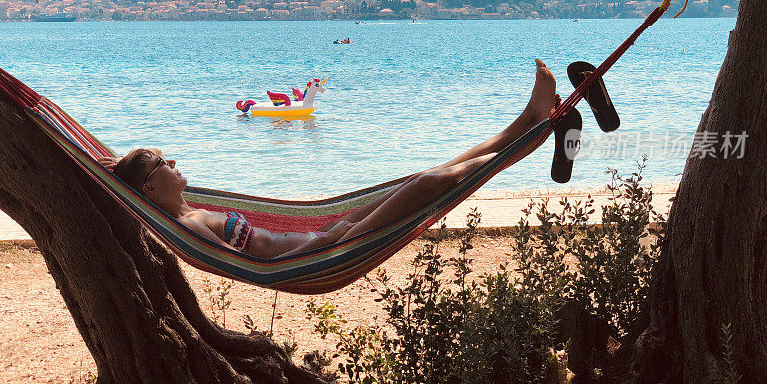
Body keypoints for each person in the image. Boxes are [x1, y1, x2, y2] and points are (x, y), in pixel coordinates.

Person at [102, 59, 558, 259]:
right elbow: (247, 262)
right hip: (326, 247)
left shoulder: (194, 212)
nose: (174, 162)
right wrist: (319, 243)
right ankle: (533, 132)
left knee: (422, 178)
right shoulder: (187, 227)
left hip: (324, 232)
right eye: (164, 162)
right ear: (148, 189)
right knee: (431, 184)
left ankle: (526, 122)